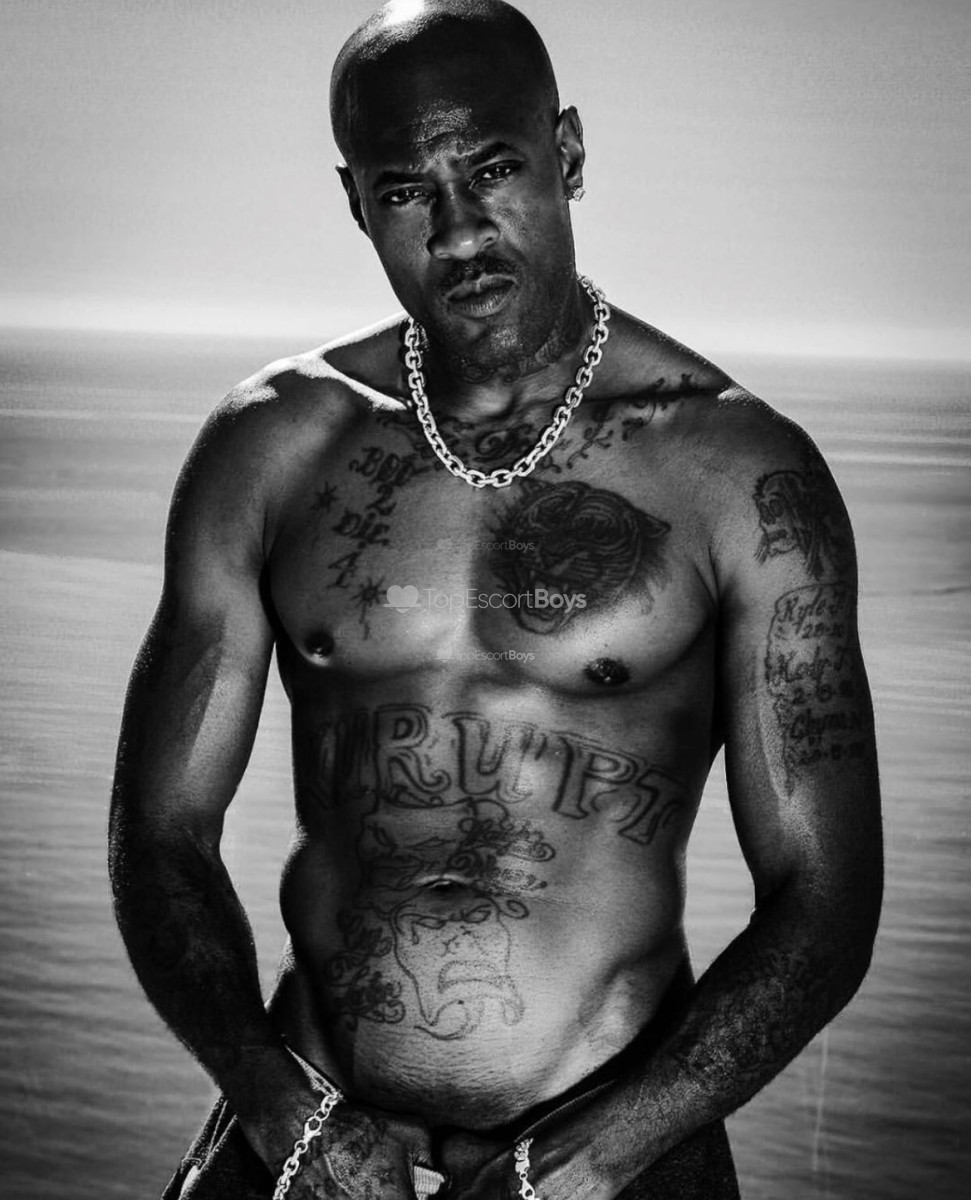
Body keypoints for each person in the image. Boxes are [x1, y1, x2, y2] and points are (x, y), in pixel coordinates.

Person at [108, 2, 883, 1197]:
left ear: (565, 153)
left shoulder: (732, 473)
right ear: (354, 202)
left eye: (492, 168)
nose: (460, 229)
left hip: (612, 1142)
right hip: (308, 1123)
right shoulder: (273, 449)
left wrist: (601, 1153)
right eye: (406, 190)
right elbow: (160, 834)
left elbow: (825, 897)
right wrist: (279, 1106)